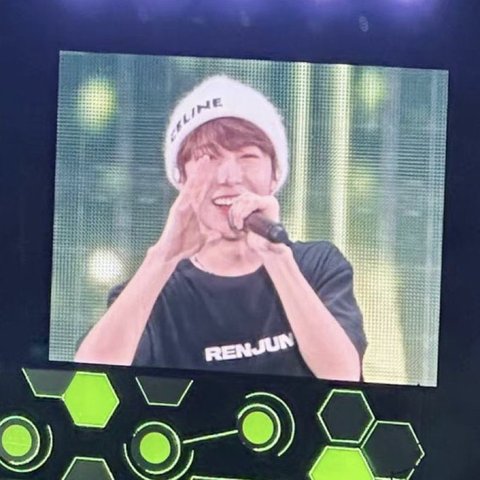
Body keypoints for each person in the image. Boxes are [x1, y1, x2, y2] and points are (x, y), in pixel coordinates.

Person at [75, 76, 367, 381]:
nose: (229, 177)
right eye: (209, 158)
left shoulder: (317, 265)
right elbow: (90, 376)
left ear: (275, 174)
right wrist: (163, 257)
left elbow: (343, 374)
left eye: (248, 157)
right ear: (181, 177)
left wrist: (277, 258)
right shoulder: (153, 289)